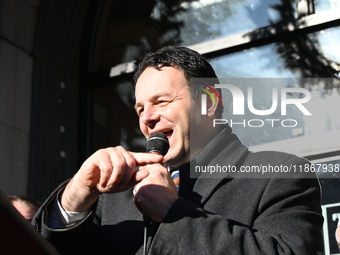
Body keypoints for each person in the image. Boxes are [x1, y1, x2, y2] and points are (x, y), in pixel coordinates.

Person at [32, 46, 324, 254]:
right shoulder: (113, 197)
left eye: (162, 102)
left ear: (209, 103)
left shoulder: (279, 174)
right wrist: (72, 200)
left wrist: (174, 213)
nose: (147, 117)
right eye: (140, 108)